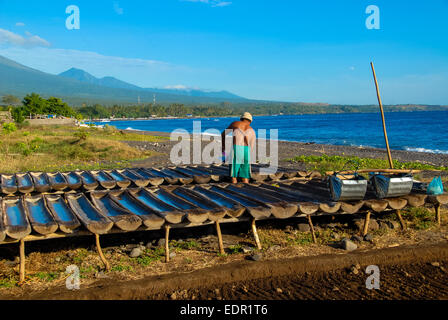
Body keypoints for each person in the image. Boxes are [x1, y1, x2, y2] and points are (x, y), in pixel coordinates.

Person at [221, 112, 256, 184]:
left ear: (241, 118)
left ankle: (234, 191)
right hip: (247, 150)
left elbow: (223, 134)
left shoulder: (236, 123)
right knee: (245, 177)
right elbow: (251, 147)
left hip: (237, 148)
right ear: (250, 121)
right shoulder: (252, 130)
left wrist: (223, 148)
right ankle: (246, 191)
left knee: (233, 176)